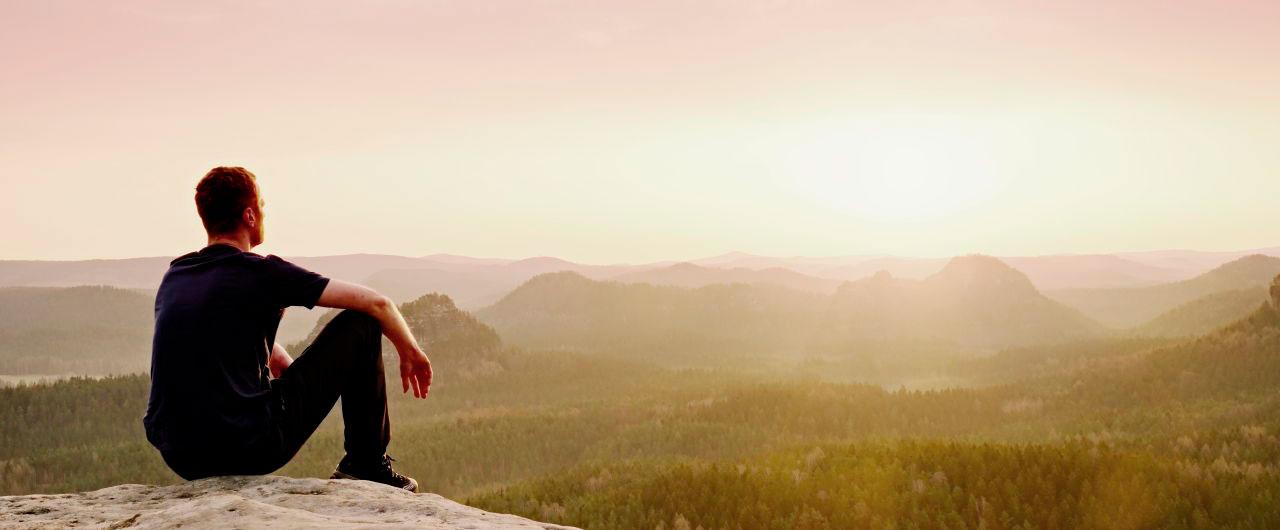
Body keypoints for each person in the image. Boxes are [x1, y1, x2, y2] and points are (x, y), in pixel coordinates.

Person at [143, 166, 433, 492]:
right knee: (361, 324)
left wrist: (294, 372)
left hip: (180, 454)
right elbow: (377, 304)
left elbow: (217, 337)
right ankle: (366, 464)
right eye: (262, 205)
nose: (264, 212)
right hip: (246, 446)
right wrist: (411, 351)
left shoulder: (177, 274)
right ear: (249, 215)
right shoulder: (262, 272)